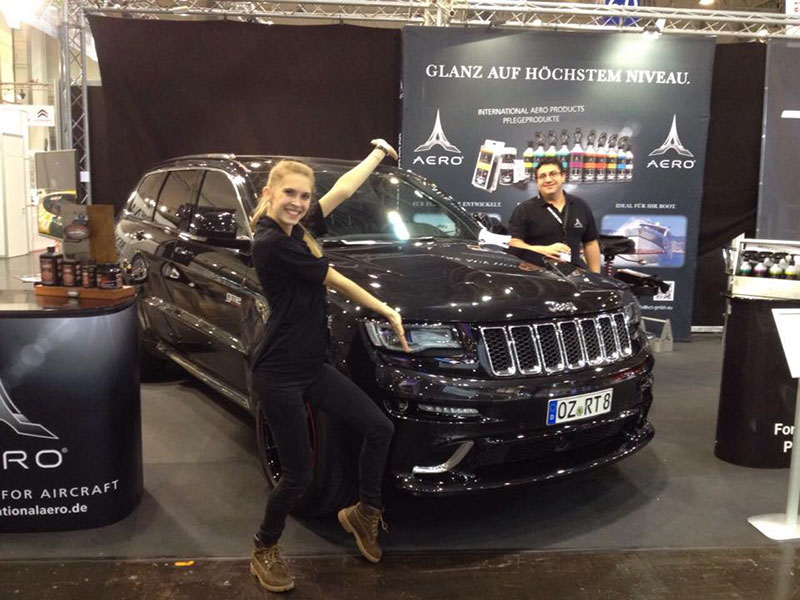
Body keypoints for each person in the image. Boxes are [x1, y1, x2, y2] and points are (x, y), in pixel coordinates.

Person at [247, 139, 410, 593]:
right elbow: (334, 278)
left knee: (379, 428)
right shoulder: (271, 243)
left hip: (311, 366)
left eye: (304, 195)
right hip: (278, 373)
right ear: (269, 194)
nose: (298, 202)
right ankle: (264, 547)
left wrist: (377, 155)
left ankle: (364, 512)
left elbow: (341, 190)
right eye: (289, 193)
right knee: (298, 474)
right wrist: (387, 310)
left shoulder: (296, 230)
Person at [508, 156, 601, 273]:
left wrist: (596, 276)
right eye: (542, 176)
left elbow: (590, 242)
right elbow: (514, 244)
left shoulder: (580, 205)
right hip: (537, 276)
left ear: (563, 177)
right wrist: (542, 250)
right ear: (537, 182)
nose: (548, 180)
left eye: (553, 174)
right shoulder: (524, 209)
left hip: (574, 276)